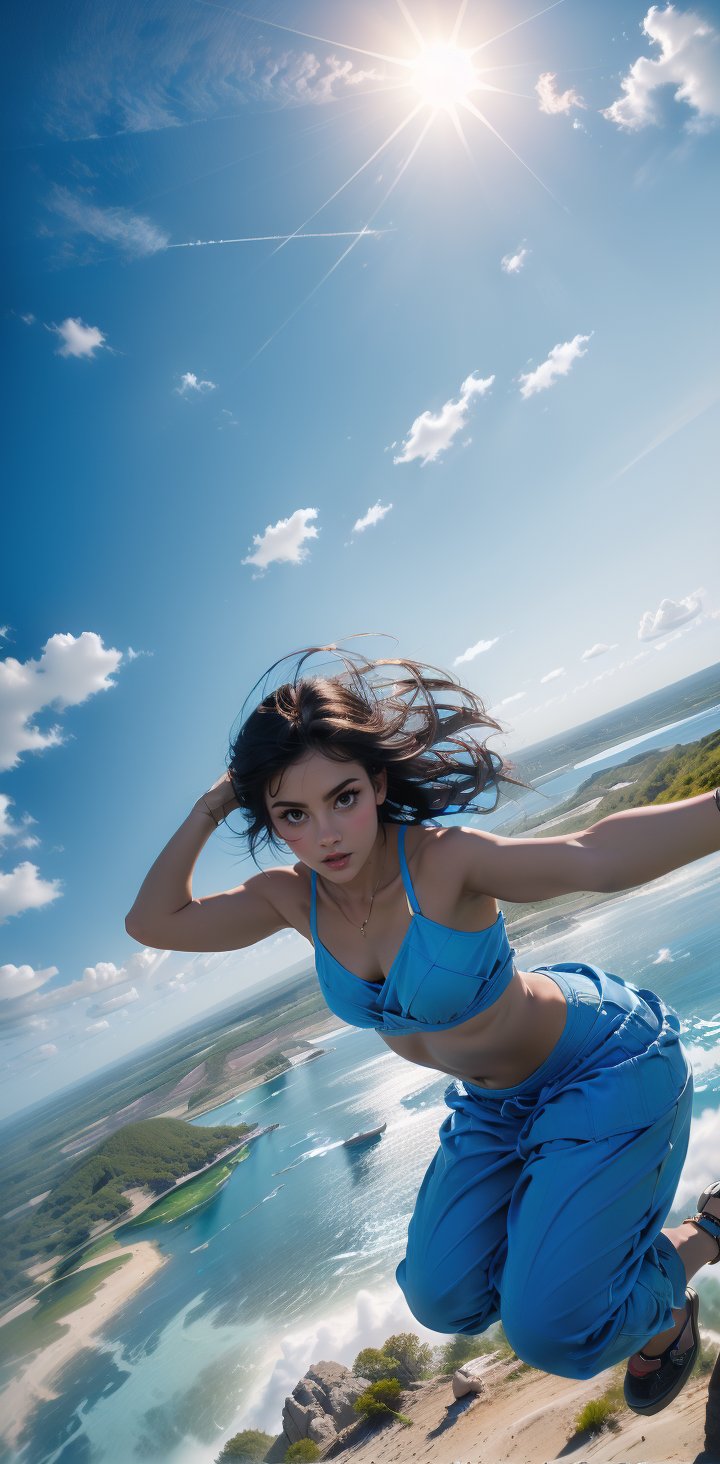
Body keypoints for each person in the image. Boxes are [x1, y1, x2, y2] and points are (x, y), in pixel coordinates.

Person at [125, 644, 720, 1417]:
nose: (327, 834)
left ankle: (700, 1244)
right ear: (269, 821)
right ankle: (593, 1260)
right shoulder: (290, 898)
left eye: (342, 797)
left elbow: (593, 855)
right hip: (496, 1105)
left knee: (554, 1334)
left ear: (376, 783)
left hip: (599, 1063)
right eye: (292, 815)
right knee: (442, 1299)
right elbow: (152, 922)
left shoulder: (443, 860)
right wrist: (213, 804)